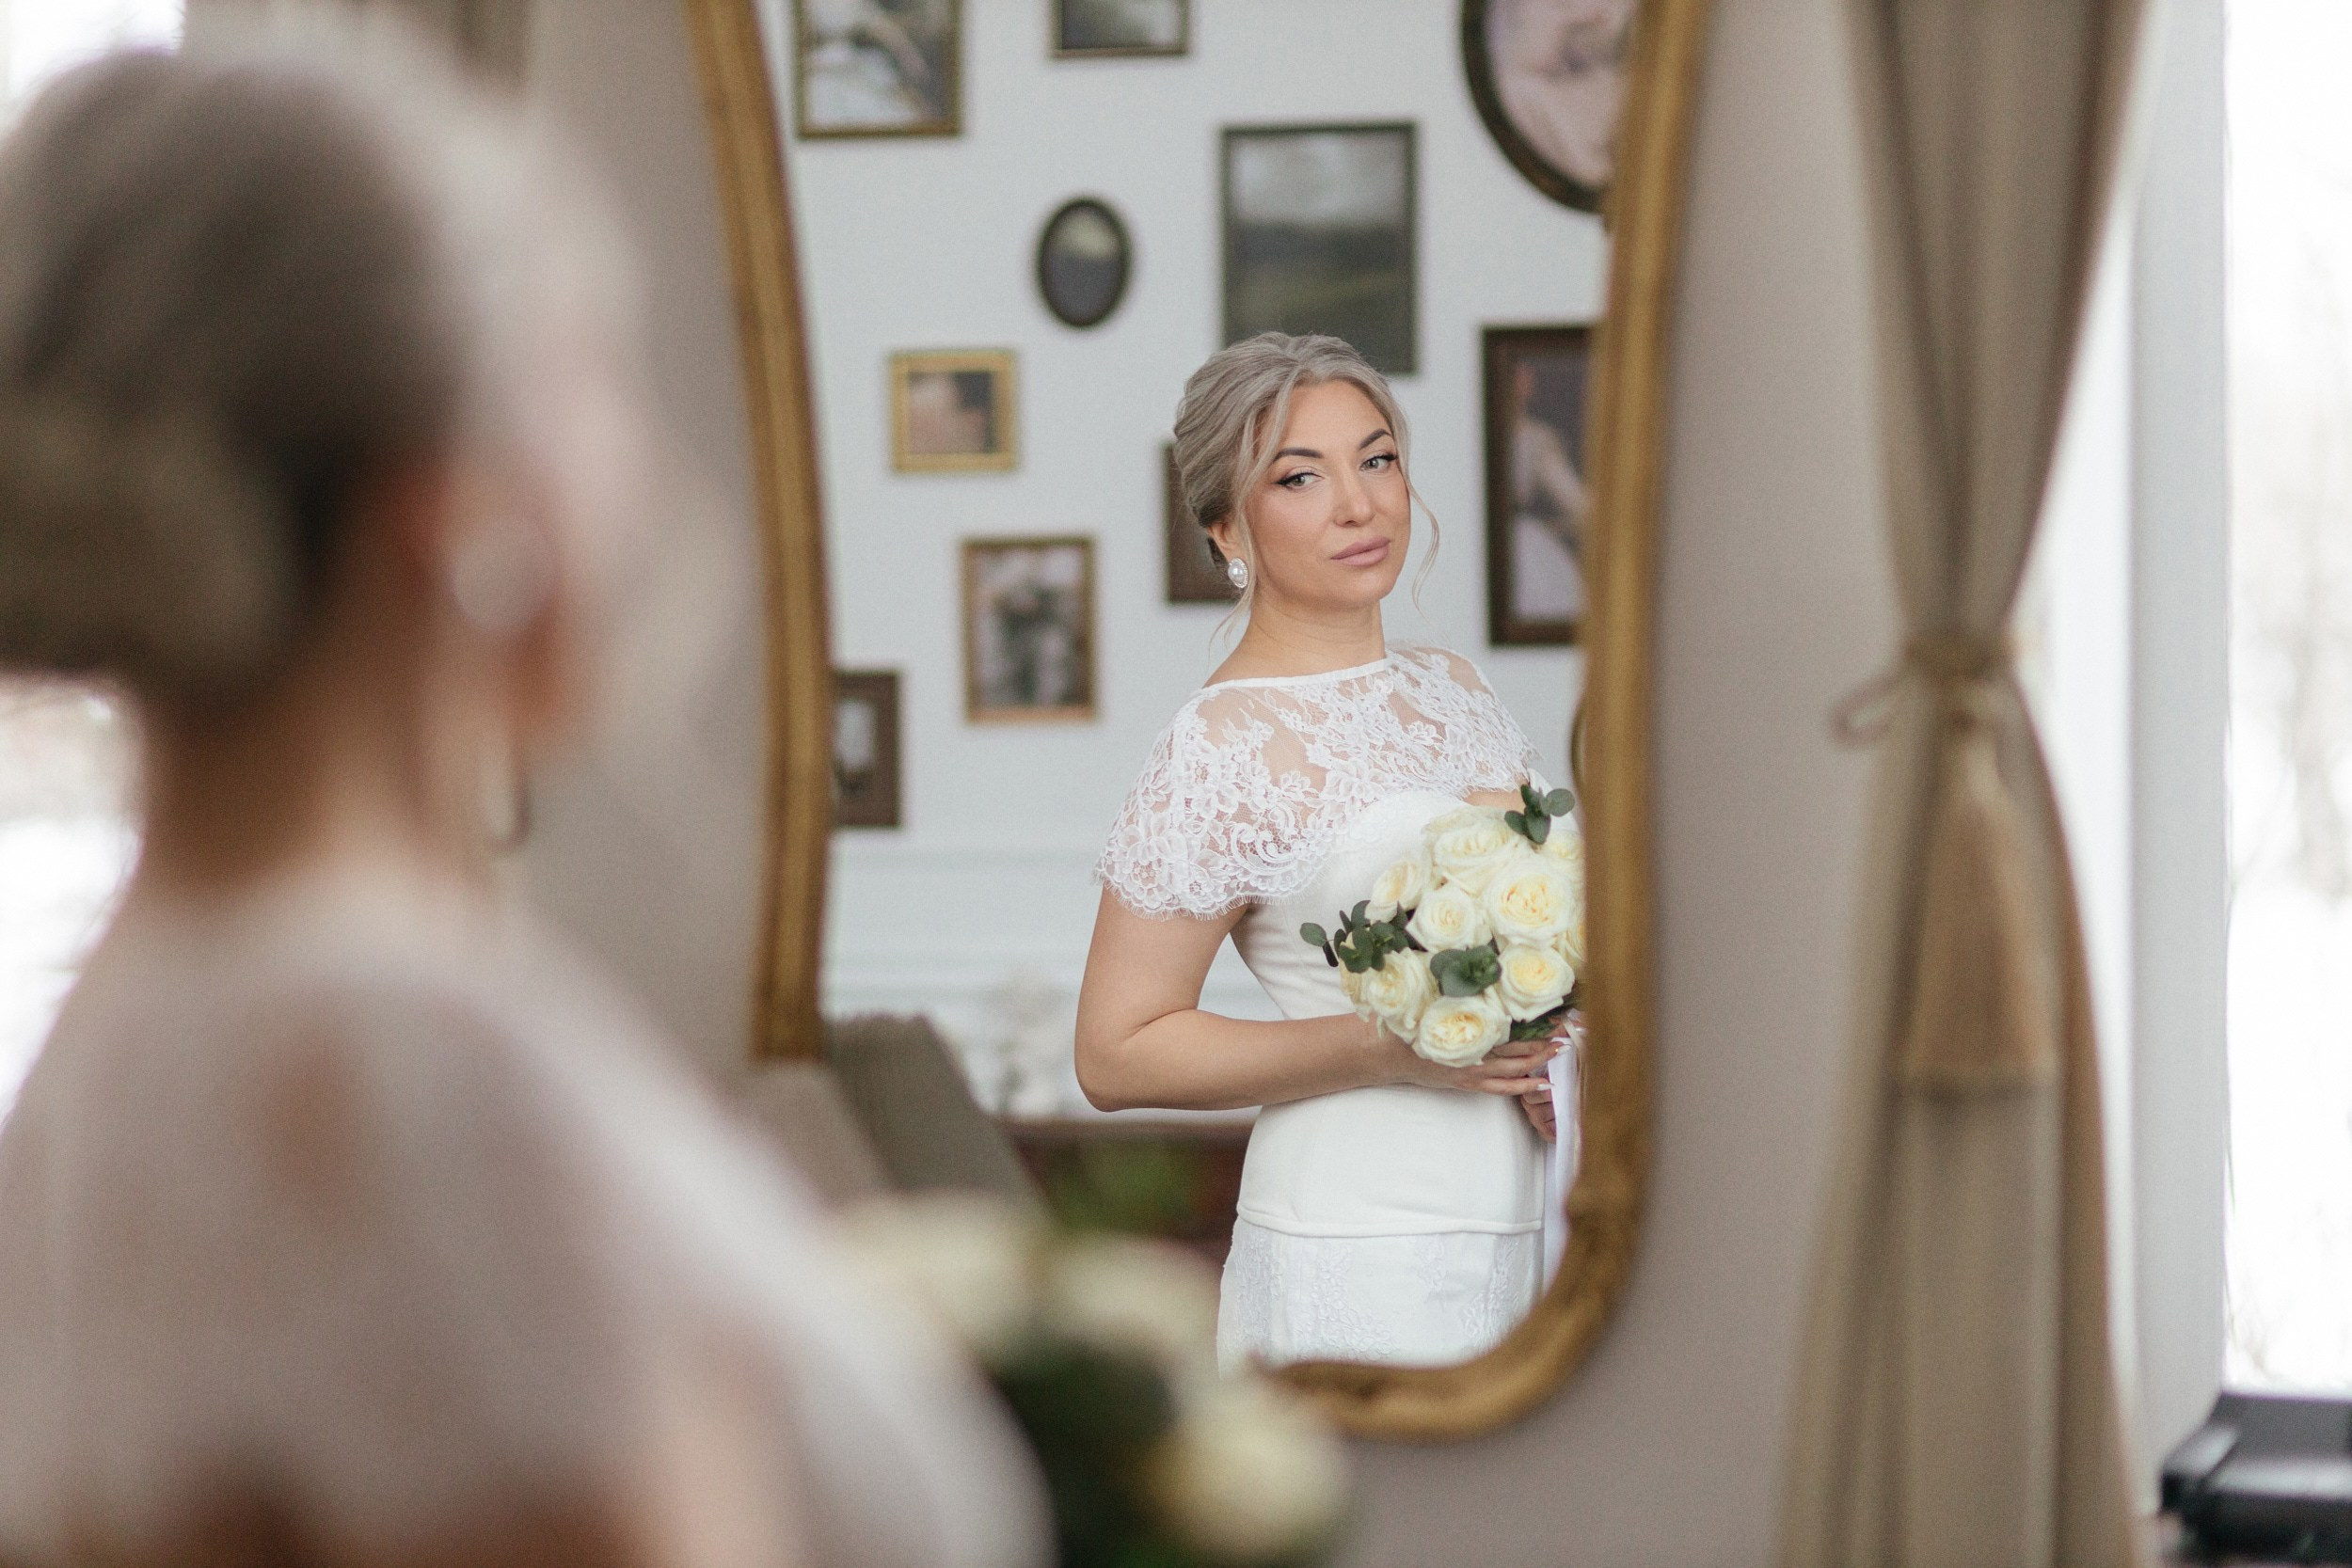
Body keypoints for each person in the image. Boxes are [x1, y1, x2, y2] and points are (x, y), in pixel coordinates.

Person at [0, 28, 1041, 1568]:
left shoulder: (108, 1050)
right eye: (590, 370)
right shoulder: (419, 1086)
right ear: (460, 509)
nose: (638, 463)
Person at [1077, 333, 1571, 1371]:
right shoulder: (1220, 744)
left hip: (1537, 1213)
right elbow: (1115, 1051)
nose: (1359, 504)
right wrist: (1389, 1047)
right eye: (1299, 476)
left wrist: (1554, 1054)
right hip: (1360, 1239)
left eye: (1377, 457)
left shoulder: (1458, 688)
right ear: (1227, 529)